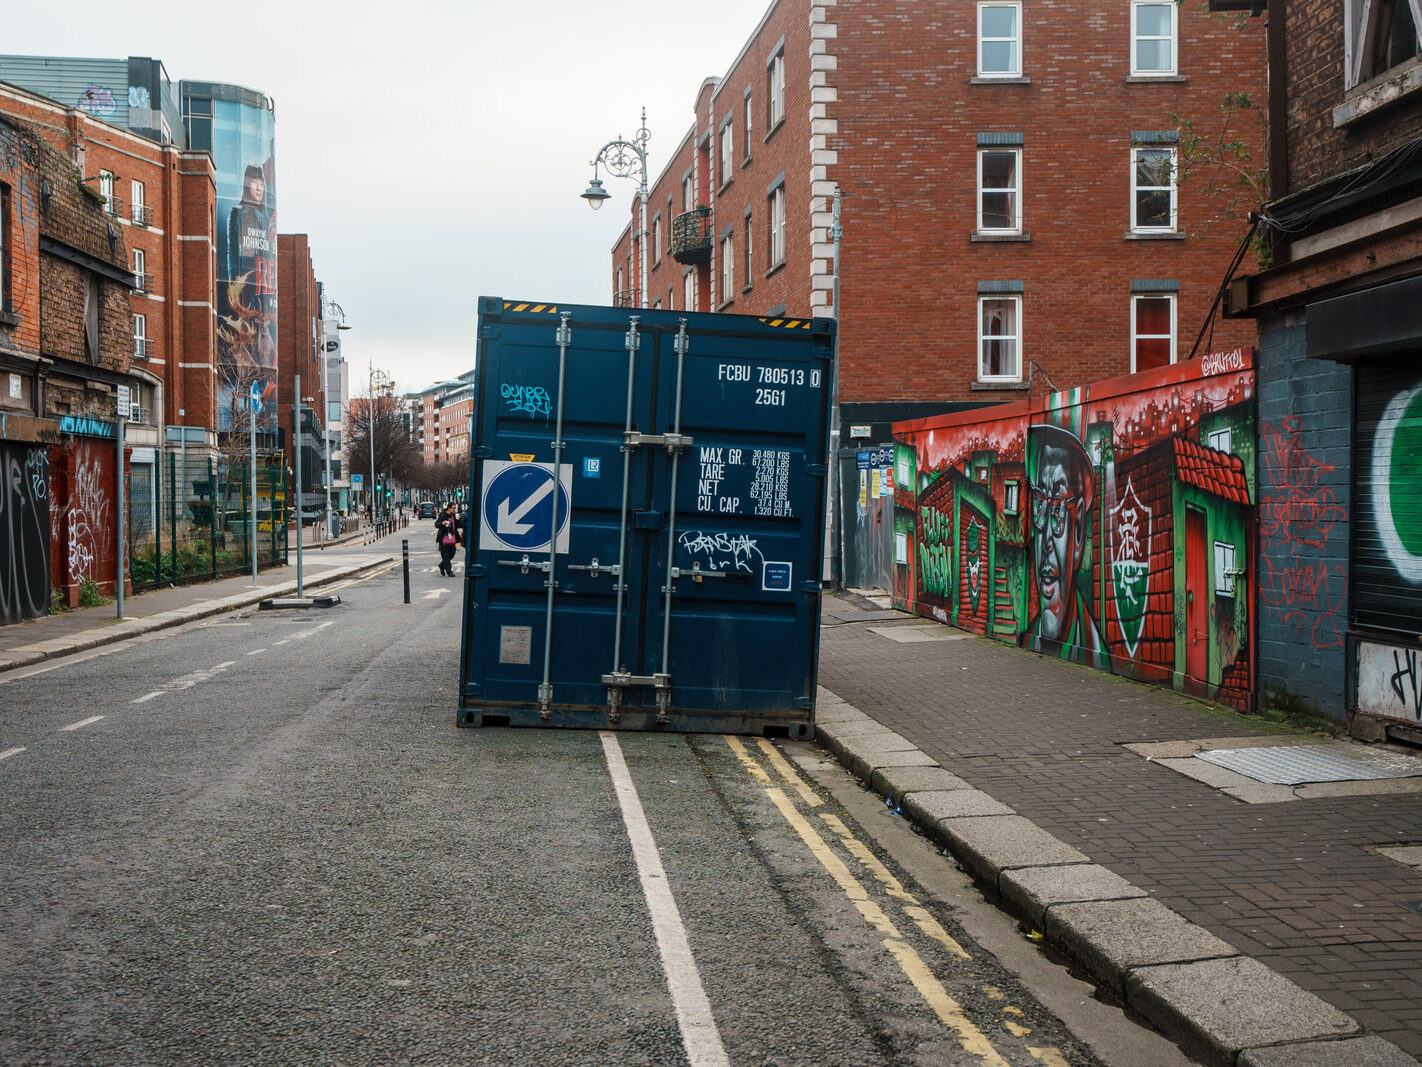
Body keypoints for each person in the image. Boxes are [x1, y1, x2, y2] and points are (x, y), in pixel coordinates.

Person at [1025, 423, 1107, 669]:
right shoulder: (1030, 634)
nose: (1046, 540)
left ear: (1079, 530)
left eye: (1059, 509)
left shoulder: (1096, 654)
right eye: (1040, 504)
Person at [435, 505, 460, 577]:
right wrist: (442, 523)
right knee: (445, 555)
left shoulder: (453, 516)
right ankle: (449, 571)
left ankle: (442, 565)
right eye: (453, 508)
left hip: (452, 538)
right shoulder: (443, 515)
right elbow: (436, 524)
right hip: (443, 539)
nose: (454, 510)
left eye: (455, 508)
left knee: (452, 554)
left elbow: (457, 526)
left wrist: (459, 520)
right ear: (449, 508)